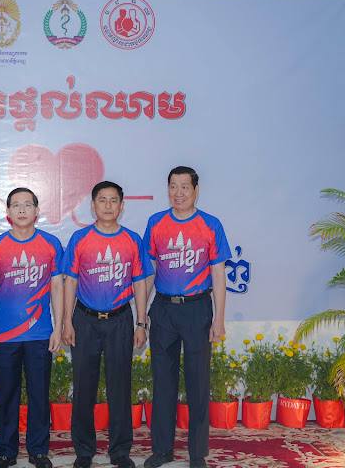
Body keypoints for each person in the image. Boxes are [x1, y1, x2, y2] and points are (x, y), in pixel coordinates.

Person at [143, 166, 231, 468]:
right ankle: (162, 450)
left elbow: (218, 274)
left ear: (196, 190)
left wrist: (219, 319)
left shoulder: (210, 224)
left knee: (198, 383)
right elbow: (149, 272)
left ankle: (197, 453)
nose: (178, 193)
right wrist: (141, 313)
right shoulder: (156, 223)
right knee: (163, 383)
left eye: (184, 186)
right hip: (164, 309)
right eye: (173, 186)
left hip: (197, 309)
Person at [62, 181, 151, 468]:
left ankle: (120, 451)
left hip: (120, 320)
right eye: (102, 200)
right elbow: (70, 281)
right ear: (93, 205)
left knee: (120, 387)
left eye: (114, 200)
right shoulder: (80, 238)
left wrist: (141, 323)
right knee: (83, 387)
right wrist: (66, 321)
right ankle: (84, 450)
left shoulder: (132, 240)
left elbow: (140, 282)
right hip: (85, 320)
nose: (108, 205)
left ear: (122, 206)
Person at [0, 187, 64, 468]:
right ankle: (6, 452)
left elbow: (57, 287)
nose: (22, 210)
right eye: (16, 205)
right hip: (5, 336)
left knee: (39, 395)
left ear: (37, 211)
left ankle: (38, 451)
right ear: (8, 212)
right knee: (6, 395)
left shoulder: (51, 244)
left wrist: (58, 327)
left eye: (28, 204)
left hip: (40, 334)